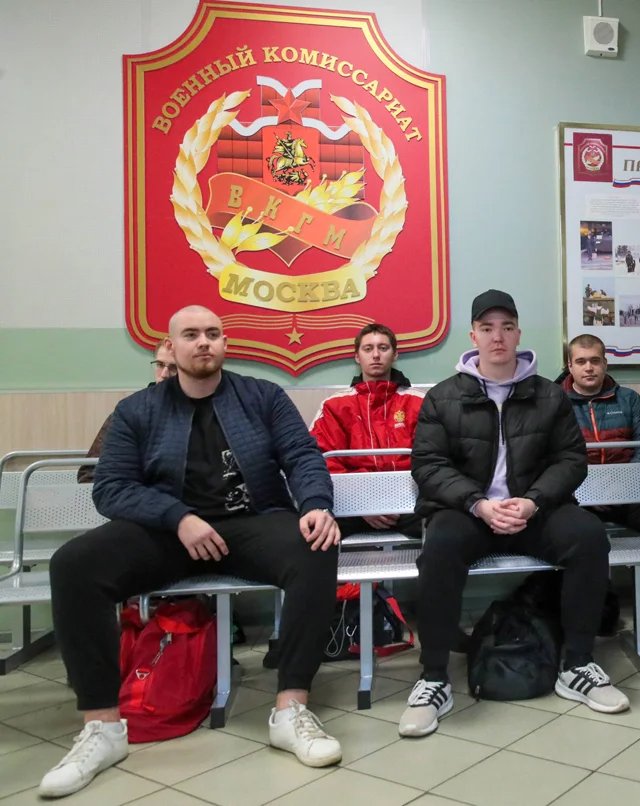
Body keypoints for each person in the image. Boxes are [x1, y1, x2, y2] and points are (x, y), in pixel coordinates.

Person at [40, 306, 342, 798]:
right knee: (74, 564)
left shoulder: (263, 396)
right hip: (168, 530)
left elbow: (302, 455)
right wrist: (177, 517)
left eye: (213, 334)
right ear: (171, 347)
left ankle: (291, 710)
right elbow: (110, 487)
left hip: (251, 522)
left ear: (225, 343)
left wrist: (314, 505)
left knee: (316, 545)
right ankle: (102, 727)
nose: (203, 342)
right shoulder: (137, 410)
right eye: (191, 335)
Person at [401, 290, 629, 737]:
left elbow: (571, 459)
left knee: (587, 536)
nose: (497, 337)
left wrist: (533, 501)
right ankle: (433, 677)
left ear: (518, 333)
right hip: (470, 512)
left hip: (534, 509)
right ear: (473, 336)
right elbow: (428, 465)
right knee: (439, 546)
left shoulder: (548, 395)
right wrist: (478, 503)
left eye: (506, 327)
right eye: (487, 328)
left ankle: (578, 665)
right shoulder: (444, 397)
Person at [563, 334, 640, 634]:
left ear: (605, 363)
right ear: (570, 366)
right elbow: (554, 457)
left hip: (628, 494)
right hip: (578, 499)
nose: (588, 368)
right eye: (581, 361)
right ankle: (602, 608)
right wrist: (590, 489)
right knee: (583, 538)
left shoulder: (628, 399)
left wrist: (617, 485)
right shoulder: (555, 404)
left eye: (595, 361)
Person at [310, 322, 424, 538]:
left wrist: (399, 501)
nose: (376, 355)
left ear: (395, 354)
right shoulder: (334, 406)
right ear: (357, 356)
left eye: (383, 348)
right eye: (368, 349)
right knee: (313, 531)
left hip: (410, 506)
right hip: (351, 508)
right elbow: (321, 461)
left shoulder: (419, 403)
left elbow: (431, 459)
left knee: (445, 526)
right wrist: (363, 502)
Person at [78, 340, 176, 483]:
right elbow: (89, 474)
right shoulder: (129, 412)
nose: (165, 374)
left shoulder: (202, 413)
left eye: (174, 367)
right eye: (160, 365)